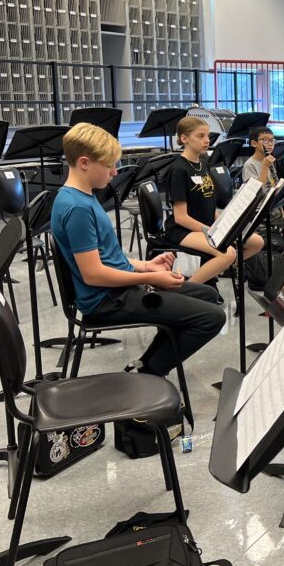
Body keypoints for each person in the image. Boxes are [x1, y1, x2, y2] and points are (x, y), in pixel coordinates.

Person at [51, 123, 225, 378]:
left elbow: (109, 259)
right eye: (109, 165)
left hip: (115, 289)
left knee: (207, 295)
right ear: (85, 163)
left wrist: (147, 265)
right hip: (105, 300)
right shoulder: (77, 208)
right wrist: (150, 278)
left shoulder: (84, 197)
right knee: (212, 318)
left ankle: (144, 365)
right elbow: (94, 275)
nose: (113, 172)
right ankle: (150, 373)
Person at [165, 116, 263, 288]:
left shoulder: (203, 164)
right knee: (227, 253)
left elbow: (209, 204)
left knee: (256, 242)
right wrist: (212, 232)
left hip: (207, 226)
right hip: (182, 230)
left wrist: (222, 225)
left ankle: (213, 272)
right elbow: (181, 218)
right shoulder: (179, 169)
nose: (207, 140)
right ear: (184, 139)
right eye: (200, 136)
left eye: (208, 136)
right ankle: (188, 289)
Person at [241, 126, 284, 230]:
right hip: (261, 208)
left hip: (274, 204)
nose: (269, 144)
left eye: (272, 140)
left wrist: (283, 205)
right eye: (265, 140)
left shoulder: (269, 160)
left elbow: (275, 187)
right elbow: (257, 191)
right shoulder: (250, 165)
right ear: (254, 143)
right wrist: (265, 166)